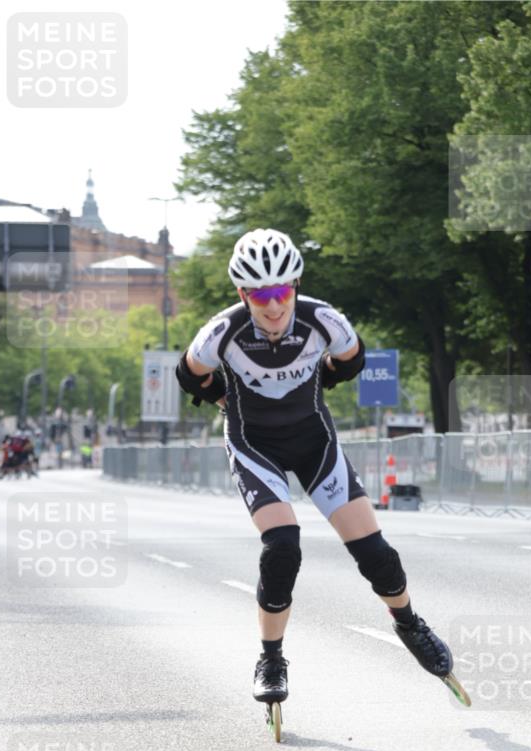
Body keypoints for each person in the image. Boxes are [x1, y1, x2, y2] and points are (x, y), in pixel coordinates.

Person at [175, 229, 454, 705]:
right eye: (260, 295)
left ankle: (408, 623)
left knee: (374, 554)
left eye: (282, 291)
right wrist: (221, 397)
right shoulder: (222, 331)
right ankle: (270, 657)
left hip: (313, 443)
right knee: (283, 546)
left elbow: (352, 359)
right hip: (253, 445)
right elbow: (188, 374)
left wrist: (324, 378)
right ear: (243, 294)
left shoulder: (323, 320)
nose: (273, 305)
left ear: (296, 286)